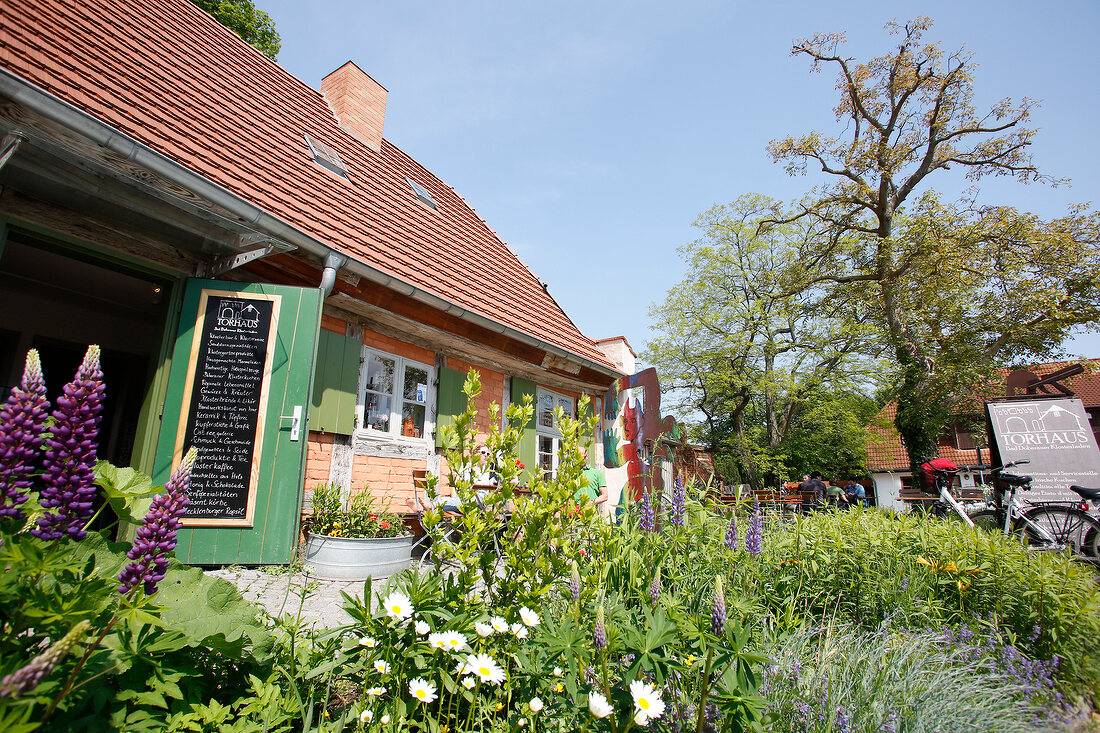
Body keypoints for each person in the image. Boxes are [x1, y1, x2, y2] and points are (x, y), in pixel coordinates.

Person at [574, 444, 609, 509]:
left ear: (587, 456)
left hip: (589, 513)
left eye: (583, 456)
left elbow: (605, 495)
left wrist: (591, 502)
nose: (580, 459)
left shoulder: (597, 473)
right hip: (571, 513)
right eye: (578, 457)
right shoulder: (569, 475)